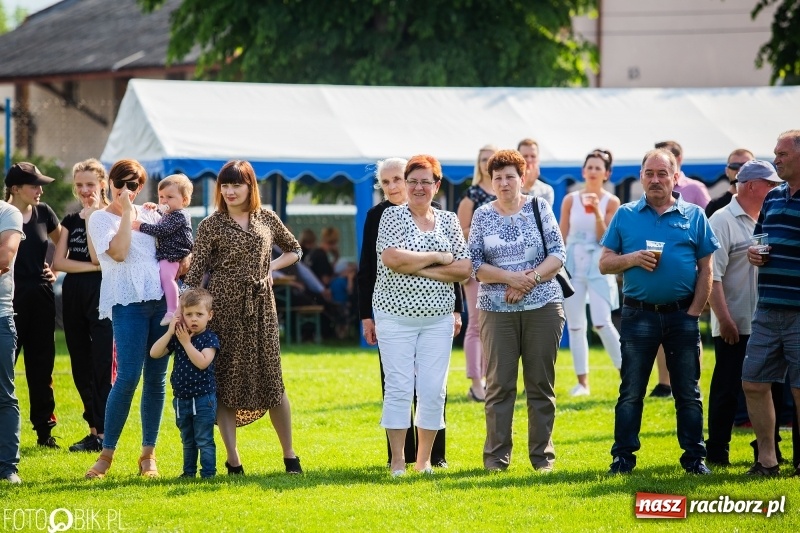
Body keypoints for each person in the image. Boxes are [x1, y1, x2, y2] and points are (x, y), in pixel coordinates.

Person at [601, 148, 719, 475]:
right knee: (631, 392)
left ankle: (694, 459)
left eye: (662, 173)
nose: (655, 180)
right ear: (641, 177)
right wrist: (632, 259)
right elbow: (605, 263)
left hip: (682, 315)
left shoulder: (694, 215)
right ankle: (623, 458)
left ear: (675, 177)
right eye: (649, 173)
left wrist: (694, 313)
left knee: (688, 393)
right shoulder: (625, 214)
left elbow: (707, 269)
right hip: (638, 315)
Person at [184, 159, 303, 475]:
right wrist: (183, 310)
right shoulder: (211, 224)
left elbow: (295, 250)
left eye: (236, 184)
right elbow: (196, 273)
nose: (230, 191)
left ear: (250, 186)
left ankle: (290, 456)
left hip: (262, 307)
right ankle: (233, 459)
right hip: (223, 308)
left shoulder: (267, 218)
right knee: (226, 383)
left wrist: (269, 267)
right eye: (224, 185)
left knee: (273, 380)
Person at [357, 157, 460, 469]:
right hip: (392, 312)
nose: (394, 186)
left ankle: (430, 459)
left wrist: (455, 307)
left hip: (438, 314)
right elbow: (376, 264)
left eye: (397, 180)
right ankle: (398, 459)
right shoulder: (382, 215)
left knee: (433, 389)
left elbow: (462, 269)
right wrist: (438, 258)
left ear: (434, 185)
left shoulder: (446, 218)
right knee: (398, 387)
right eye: (386, 182)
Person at [468, 149, 566, 472]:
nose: (504, 183)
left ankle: (542, 459)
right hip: (496, 310)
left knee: (540, 385)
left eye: (510, 176)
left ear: (522, 178)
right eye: (497, 178)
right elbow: (474, 265)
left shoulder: (540, 207)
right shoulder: (482, 215)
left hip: (543, 305)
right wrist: (511, 278)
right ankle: (496, 459)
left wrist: (530, 280)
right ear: (490, 181)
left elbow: (558, 254)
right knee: (499, 386)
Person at [84, 159, 171, 479]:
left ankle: (148, 455)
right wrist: (126, 214)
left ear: (140, 187)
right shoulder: (99, 218)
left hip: (160, 303)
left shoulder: (152, 214)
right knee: (128, 377)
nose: (124, 190)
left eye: (132, 185)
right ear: (108, 184)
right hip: (127, 304)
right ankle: (106, 455)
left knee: (156, 380)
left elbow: (174, 250)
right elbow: (119, 253)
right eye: (119, 183)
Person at [706, 160, 782, 466]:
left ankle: (769, 451)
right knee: (726, 389)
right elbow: (712, 277)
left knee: (770, 390)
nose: (776, 189)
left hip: (766, 322)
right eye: (771, 184)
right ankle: (717, 451)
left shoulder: (771, 216)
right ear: (752, 186)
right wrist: (724, 319)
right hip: (734, 323)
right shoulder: (721, 220)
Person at [743, 130, 800, 476]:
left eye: (782, 154)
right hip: (766, 307)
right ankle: (767, 459)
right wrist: (754, 252)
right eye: (776, 154)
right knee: (753, 382)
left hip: (798, 310)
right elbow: (759, 238)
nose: (775, 160)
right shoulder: (773, 197)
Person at [52, 159, 113, 453]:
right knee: (80, 363)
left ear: (102, 184)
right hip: (75, 293)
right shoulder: (69, 220)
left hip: (103, 293)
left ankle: (104, 432)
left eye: (90, 184)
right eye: (79, 185)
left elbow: (99, 255)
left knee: (102, 363)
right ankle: (93, 430)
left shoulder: (110, 216)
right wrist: (92, 267)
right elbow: (59, 262)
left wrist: (91, 219)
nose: (84, 190)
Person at [648, 140, 713, 399]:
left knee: (689, 332)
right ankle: (665, 383)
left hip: (689, 276)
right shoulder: (650, 191)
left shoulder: (695, 189)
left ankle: (689, 382)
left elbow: (708, 224)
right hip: (657, 275)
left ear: (679, 160)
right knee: (660, 334)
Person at [5, 162, 62, 448]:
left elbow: (61, 241)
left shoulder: (44, 213)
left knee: (41, 366)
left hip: (41, 297)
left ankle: (44, 432)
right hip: (9, 300)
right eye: (34, 185)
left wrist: (56, 268)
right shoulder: (3, 215)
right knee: (5, 365)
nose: (40, 190)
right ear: (15, 189)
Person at [559, 150, 622, 396]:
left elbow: (606, 239)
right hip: (573, 265)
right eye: (590, 167)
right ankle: (582, 383)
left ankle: (627, 374)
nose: (593, 172)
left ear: (606, 174)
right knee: (575, 326)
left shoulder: (612, 202)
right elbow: (562, 235)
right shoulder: (570, 200)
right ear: (583, 171)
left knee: (602, 322)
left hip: (599, 265)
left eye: (598, 168)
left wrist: (596, 211)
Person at [150, 288, 219, 478]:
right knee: (187, 440)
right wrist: (170, 332)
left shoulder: (209, 338)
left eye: (199, 314)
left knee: (204, 439)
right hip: (181, 399)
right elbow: (154, 353)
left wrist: (187, 343)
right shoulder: (179, 336)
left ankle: (208, 474)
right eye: (188, 314)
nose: (194, 319)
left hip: (203, 399)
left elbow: (203, 362)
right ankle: (188, 473)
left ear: (209, 315)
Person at [456, 144, 498, 402]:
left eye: (491, 159)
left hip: (503, 268)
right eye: (483, 159)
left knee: (495, 326)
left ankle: (491, 379)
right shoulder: (471, 195)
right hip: (475, 266)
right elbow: (460, 233)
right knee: (476, 323)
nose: (486, 163)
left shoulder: (506, 191)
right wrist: (488, 231)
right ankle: (475, 383)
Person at [132, 174, 194, 326]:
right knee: (170, 280)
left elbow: (162, 230)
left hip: (174, 254)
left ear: (184, 200)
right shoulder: (169, 214)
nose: (164, 201)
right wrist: (154, 208)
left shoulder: (179, 215)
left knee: (167, 278)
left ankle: (172, 311)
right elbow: (161, 218)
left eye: (170, 197)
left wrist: (141, 226)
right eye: (161, 197)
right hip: (169, 254)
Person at [0, 196, 25, 483]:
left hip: (0, 317)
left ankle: (7, 468)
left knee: (3, 395)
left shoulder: (7, 213)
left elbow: (4, 258)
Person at [705, 149, 755, 218]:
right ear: (727, 171)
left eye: (746, 165)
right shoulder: (715, 206)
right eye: (734, 166)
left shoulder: (764, 204)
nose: (740, 170)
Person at [517, 138, 555, 206]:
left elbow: (543, 213)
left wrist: (527, 190)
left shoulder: (546, 190)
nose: (529, 160)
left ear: (538, 159)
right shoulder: (508, 185)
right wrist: (525, 189)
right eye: (525, 156)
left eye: (533, 156)